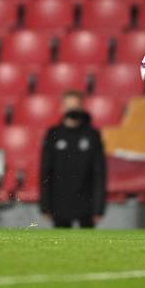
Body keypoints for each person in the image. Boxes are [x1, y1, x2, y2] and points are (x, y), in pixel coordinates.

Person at [40, 90, 106, 228]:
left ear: (81, 108)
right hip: (59, 202)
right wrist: (45, 205)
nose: (72, 110)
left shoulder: (92, 135)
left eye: (75, 106)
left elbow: (99, 172)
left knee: (87, 246)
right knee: (60, 246)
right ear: (62, 108)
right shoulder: (53, 134)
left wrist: (99, 207)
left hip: (86, 203)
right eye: (69, 106)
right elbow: (45, 171)